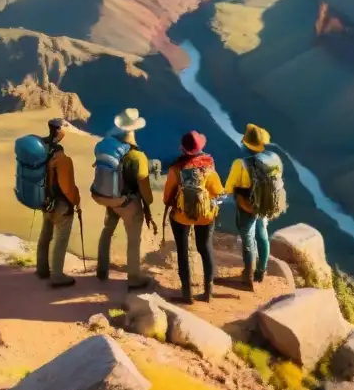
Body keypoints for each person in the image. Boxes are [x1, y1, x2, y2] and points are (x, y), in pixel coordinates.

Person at [95, 108, 156, 290]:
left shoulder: (109, 149)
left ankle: (102, 268)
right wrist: (149, 202)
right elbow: (145, 190)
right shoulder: (138, 156)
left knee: (107, 230)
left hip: (110, 199)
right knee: (133, 239)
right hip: (129, 203)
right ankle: (134, 278)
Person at [162, 131, 224, 304]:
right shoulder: (208, 167)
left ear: (183, 148)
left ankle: (187, 294)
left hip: (181, 217)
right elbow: (218, 191)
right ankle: (208, 292)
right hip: (205, 216)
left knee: (182, 251)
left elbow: (167, 197)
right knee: (205, 248)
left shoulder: (176, 169)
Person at [224, 123, 286, 290]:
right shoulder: (274, 158)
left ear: (246, 143)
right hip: (265, 204)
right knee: (262, 234)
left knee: (248, 239)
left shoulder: (240, 164)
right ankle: (260, 272)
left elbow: (228, 189)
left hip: (247, 207)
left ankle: (248, 277)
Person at [35, 118, 81, 288]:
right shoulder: (60, 156)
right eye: (64, 127)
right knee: (61, 240)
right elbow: (67, 186)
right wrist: (74, 203)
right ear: (58, 130)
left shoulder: (40, 149)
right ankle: (57, 276)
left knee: (45, 236)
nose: (65, 131)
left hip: (44, 200)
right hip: (60, 203)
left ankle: (41, 269)